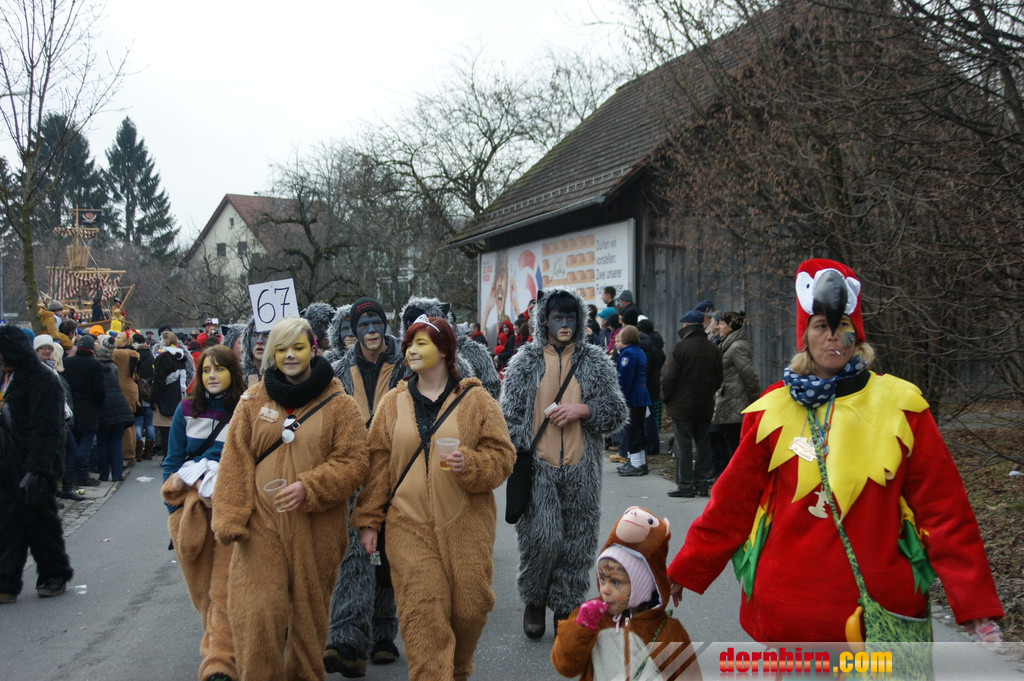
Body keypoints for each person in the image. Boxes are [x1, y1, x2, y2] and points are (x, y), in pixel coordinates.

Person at [668, 259, 1004, 659]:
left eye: (842, 325)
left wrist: (975, 605)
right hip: (792, 615)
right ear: (804, 337)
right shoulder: (771, 410)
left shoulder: (902, 406)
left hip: (879, 618)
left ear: (856, 335)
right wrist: (686, 568)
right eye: (820, 326)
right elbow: (732, 504)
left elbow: (944, 509)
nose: (832, 337)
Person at [352, 315, 515, 681]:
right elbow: (378, 466)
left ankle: (456, 668)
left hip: (466, 522)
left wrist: (471, 463)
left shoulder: (476, 400)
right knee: (423, 613)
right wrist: (368, 520)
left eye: (421, 343)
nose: (411, 350)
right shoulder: (392, 403)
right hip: (406, 523)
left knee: (470, 608)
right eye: (409, 344)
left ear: (443, 350)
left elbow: (503, 457)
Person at [212, 317, 369, 681]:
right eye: (281, 349)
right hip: (261, 526)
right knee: (259, 613)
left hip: (316, 529)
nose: (290, 356)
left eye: (298, 347)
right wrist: (230, 515)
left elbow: (355, 462)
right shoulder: (253, 400)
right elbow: (234, 460)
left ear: (313, 349)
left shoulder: (340, 404)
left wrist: (310, 487)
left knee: (308, 620)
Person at [501, 288, 629, 639]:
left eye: (570, 317)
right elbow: (508, 417)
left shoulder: (595, 361)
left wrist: (583, 410)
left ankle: (566, 606)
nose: (564, 324)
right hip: (538, 467)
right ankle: (534, 599)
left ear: (579, 320)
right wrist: (521, 450)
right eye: (557, 317)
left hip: (581, 467)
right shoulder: (525, 362)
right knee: (542, 539)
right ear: (544, 320)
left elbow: (616, 412)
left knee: (577, 542)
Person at [324, 296, 406, 677]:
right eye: (363, 325)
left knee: (385, 554)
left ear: (385, 326)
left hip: (397, 473)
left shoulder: (406, 366)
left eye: (376, 323)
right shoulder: (338, 370)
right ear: (354, 331)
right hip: (354, 475)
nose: (371, 331)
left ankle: (384, 633)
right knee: (357, 553)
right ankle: (346, 640)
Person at [162, 346, 245, 681]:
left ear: (232, 373)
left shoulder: (244, 408)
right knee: (201, 592)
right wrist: (175, 510)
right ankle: (219, 645)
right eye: (206, 370)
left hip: (229, 508)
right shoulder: (185, 410)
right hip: (190, 512)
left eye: (219, 369)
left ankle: (219, 663)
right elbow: (172, 461)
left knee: (222, 588)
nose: (212, 375)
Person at [551, 506, 701, 681]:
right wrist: (581, 628)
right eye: (602, 579)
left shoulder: (669, 634)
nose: (605, 589)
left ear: (641, 586)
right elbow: (566, 667)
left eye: (616, 582)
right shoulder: (592, 619)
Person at [0, 325, 74, 603]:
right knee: (7, 524)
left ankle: (54, 574)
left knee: (40, 523)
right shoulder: (6, 378)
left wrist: (40, 470)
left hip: (34, 464)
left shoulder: (41, 379)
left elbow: (48, 429)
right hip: (6, 464)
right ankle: (6, 580)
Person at [661, 309, 722, 498]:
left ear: (687, 325)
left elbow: (668, 377)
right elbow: (719, 378)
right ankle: (701, 484)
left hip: (682, 406)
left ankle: (685, 485)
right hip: (705, 404)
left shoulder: (679, 348)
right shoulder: (713, 349)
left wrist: (666, 397)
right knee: (703, 445)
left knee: (684, 445)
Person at [709, 311, 760, 479]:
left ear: (731, 327)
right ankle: (726, 475)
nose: (718, 327)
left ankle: (737, 478)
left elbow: (749, 376)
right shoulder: (727, 343)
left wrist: (756, 403)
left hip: (735, 401)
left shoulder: (737, 346)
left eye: (722, 324)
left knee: (733, 442)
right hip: (727, 399)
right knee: (724, 439)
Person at [62, 334, 105, 487]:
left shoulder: (67, 362)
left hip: (72, 408)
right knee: (86, 442)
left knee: (75, 442)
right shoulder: (95, 365)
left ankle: (73, 473)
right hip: (89, 409)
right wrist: (100, 405)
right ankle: (82, 473)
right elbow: (99, 390)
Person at [94, 335, 134, 482]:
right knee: (116, 442)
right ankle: (117, 473)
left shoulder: (95, 370)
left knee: (102, 441)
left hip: (104, 409)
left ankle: (104, 474)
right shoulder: (113, 369)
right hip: (120, 407)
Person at [614, 325, 652, 477]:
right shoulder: (638, 351)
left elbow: (625, 379)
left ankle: (636, 463)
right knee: (638, 430)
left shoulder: (628, 354)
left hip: (632, 398)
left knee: (632, 432)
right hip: (641, 396)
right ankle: (639, 461)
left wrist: (620, 397)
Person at [151, 332, 189, 458]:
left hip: (164, 397)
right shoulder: (180, 356)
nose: (160, 342)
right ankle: (177, 455)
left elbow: (159, 381)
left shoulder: (163, 358)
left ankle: (168, 457)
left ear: (166, 340)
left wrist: (153, 399)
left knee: (165, 431)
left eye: (161, 339)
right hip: (178, 395)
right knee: (177, 430)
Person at [133, 333, 157, 461]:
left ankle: (138, 452)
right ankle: (148, 452)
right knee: (149, 424)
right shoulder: (152, 358)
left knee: (137, 423)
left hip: (137, 393)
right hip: (148, 393)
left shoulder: (135, 358)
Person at [239, 318, 268, 388]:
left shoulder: (283, 375)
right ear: (247, 340)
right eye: (255, 336)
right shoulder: (237, 374)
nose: (259, 341)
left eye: (266, 336)